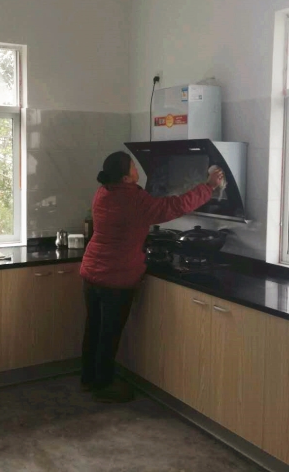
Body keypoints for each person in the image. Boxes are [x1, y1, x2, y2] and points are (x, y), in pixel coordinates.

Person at [79, 151, 225, 403]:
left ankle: (88, 379)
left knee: (94, 327)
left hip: (92, 272)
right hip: (116, 276)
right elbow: (174, 206)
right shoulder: (133, 199)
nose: (137, 169)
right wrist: (209, 186)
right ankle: (104, 386)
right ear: (126, 178)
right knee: (109, 334)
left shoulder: (103, 192)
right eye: (133, 167)